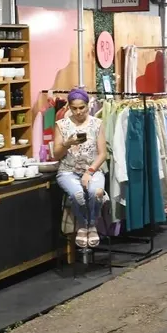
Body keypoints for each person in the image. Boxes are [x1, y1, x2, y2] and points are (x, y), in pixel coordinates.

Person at [53, 88, 107, 249]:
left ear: (88, 105)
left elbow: (102, 154)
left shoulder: (97, 124)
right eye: (74, 108)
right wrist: (67, 143)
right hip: (68, 170)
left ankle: (91, 225)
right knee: (77, 195)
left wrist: (89, 172)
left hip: (93, 169)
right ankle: (85, 226)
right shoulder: (61, 125)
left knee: (95, 192)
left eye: (81, 107)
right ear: (69, 107)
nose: (78, 112)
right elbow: (56, 155)